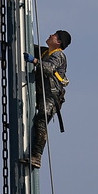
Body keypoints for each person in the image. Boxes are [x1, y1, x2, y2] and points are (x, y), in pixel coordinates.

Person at [23, 29, 72, 168]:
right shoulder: (46, 52)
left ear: (59, 42)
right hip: (41, 93)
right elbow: (29, 46)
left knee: (41, 120)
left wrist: (34, 60)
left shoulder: (58, 55)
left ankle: (36, 156)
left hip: (51, 96)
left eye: (55, 35)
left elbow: (49, 68)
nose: (51, 35)